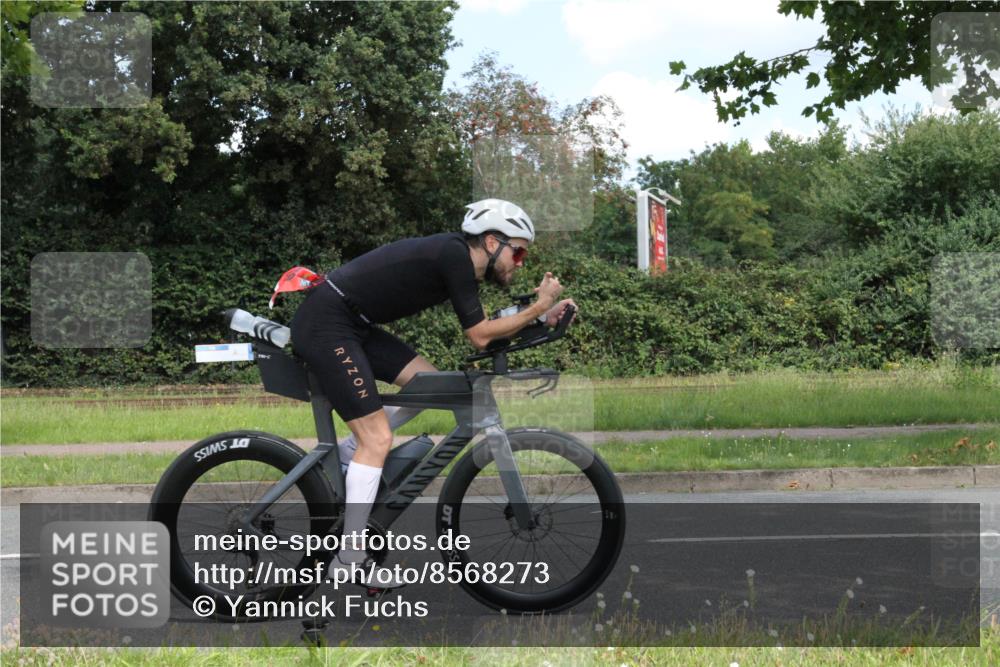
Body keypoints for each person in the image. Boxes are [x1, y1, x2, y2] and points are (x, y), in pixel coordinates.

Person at [289, 199, 576, 587]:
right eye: (519, 252)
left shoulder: (460, 262)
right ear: (493, 242)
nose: (520, 263)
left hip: (351, 323)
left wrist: (541, 316)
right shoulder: (454, 256)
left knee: (431, 384)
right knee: (378, 438)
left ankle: (351, 455)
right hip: (328, 324)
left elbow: (488, 326)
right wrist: (540, 304)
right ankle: (350, 559)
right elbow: (480, 336)